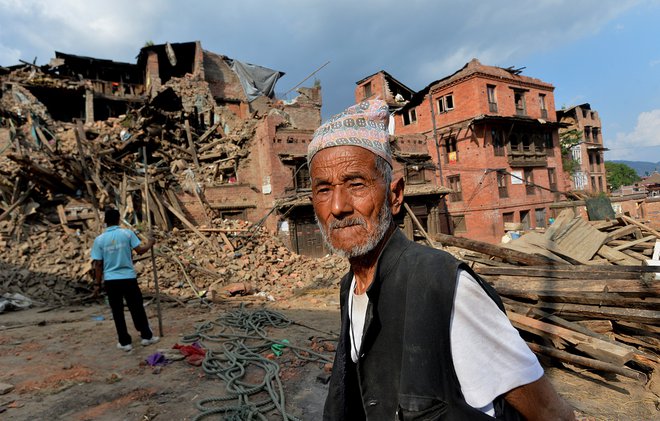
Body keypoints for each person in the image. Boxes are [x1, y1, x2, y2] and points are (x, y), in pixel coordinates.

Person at [307, 100, 575, 420]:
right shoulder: (349, 287)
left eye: (356, 184)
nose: (338, 206)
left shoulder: (443, 284)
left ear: (395, 195)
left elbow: (549, 412)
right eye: (324, 190)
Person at [91, 208, 159, 352]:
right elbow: (140, 250)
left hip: (111, 280)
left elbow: (98, 264)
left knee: (117, 311)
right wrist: (150, 243)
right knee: (137, 307)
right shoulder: (127, 234)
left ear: (105, 221)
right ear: (118, 219)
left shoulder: (99, 240)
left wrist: (97, 284)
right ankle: (146, 336)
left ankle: (124, 342)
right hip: (128, 278)